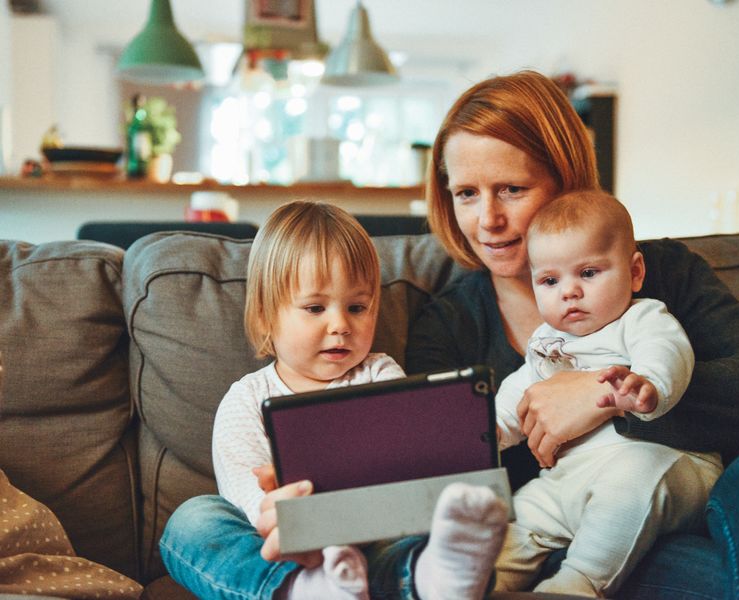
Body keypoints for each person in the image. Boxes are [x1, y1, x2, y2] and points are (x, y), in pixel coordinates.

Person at [407, 69, 739, 598]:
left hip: (684, 512)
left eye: (512, 189)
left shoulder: (660, 273)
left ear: (565, 180)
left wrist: (605, 393)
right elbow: (441, 468)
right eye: (466, 194)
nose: (488, 220)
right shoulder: (447, 323)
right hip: (553, 540)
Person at [160, 200, 508, 600]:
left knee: (436, 525)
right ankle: (305, 589)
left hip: (374, 537)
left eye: (357, 307)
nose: (341, 325)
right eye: (315, 308)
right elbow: (246, 498)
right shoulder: (246, 399)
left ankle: (433, 578)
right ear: (264, 317)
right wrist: (295, 526)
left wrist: (458, 440)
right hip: (286, 550)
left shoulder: (380, 374)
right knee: (192, 520)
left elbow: (409, 462)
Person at [492, 190, 722, 596]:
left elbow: (667, 350)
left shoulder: (641, 317)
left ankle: (577, 583)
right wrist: (491, 429)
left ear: (634, 272)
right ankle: (483, 582)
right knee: (521, 512)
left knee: (628, 483)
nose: (569, 292)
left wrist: (648, 384)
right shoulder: (547, 340)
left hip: (662, 464)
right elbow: (522, 389)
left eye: (589, 273)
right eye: (550, 280)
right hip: (569, 478)